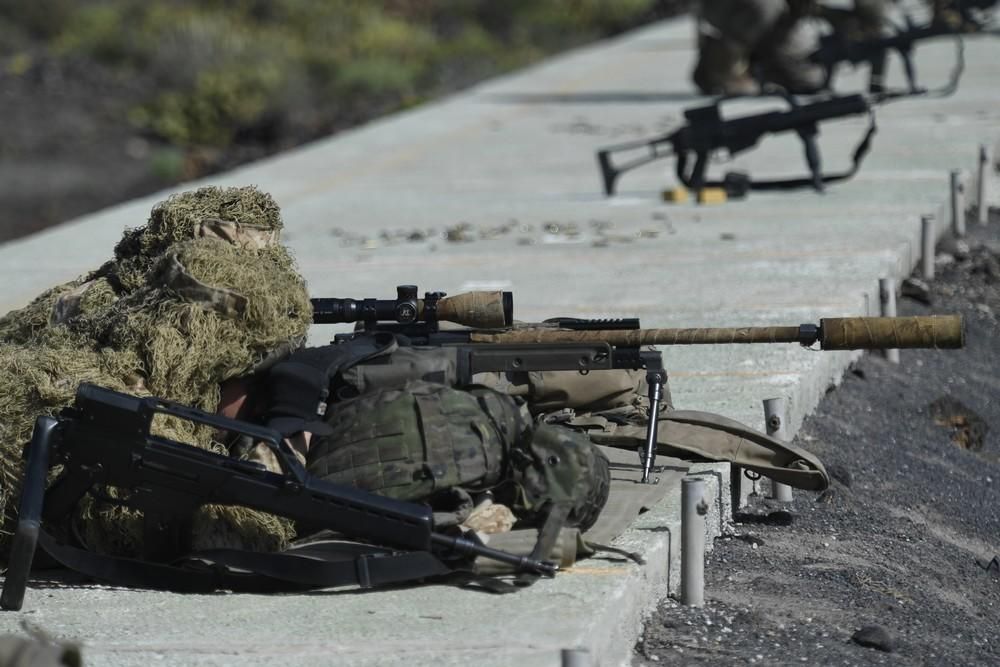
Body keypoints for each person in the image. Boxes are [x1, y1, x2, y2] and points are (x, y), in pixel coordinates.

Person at [692, 0, 888, 95]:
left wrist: (864, 24)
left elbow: (872, 17)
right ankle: (721, 69)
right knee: (764, 8)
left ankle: (759, 63)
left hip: (785, 14)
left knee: (809, 82)